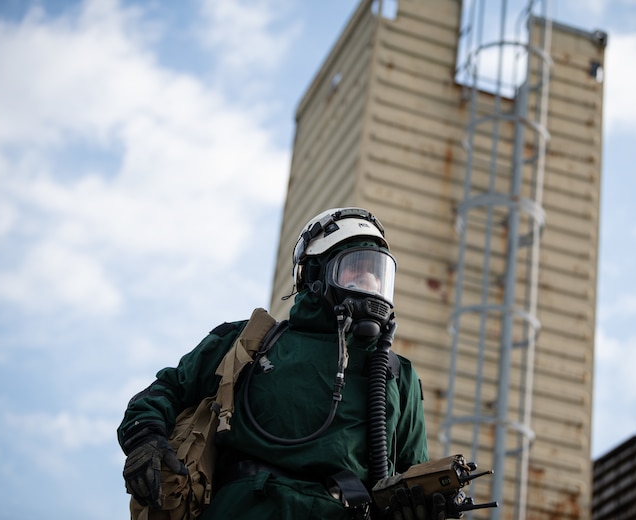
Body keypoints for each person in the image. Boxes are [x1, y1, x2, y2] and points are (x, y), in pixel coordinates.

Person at [118, 207, 434, 519]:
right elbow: (168, 389)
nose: (370, 281)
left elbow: (415, 477)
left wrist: (423, 505)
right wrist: (145, 438)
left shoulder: (396, 374)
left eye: (378, 273)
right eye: (354, 268)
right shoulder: (248, 342)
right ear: (314, 275)